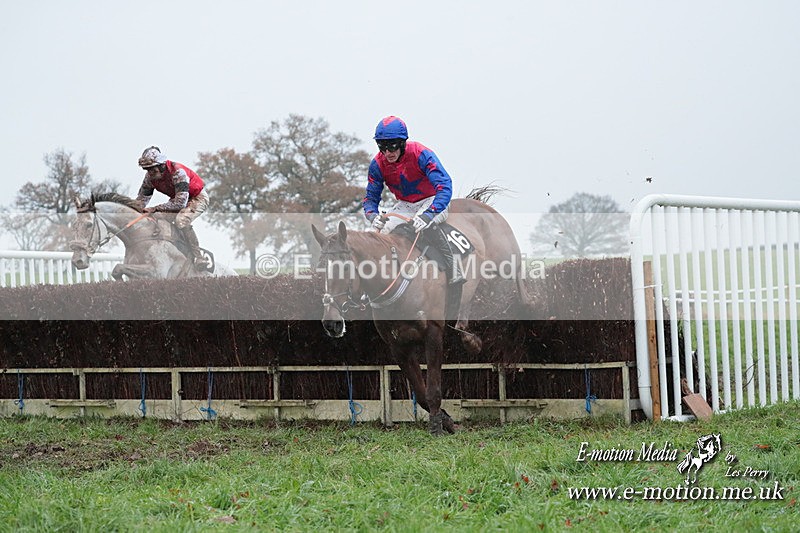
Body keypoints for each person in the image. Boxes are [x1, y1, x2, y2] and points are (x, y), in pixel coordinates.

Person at [363, 116, 464, 284]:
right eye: (382, 146)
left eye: (392, 146)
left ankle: (454, 267)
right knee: (375, 235)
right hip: (405, 205)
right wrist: (372, 216)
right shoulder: (377, 164)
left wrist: (429, 215)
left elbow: (445, 186)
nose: (388, 152)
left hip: (432, 200)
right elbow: (370, 198)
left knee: (426, 225)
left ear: (403, 143)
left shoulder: (421, 154)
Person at [135, 146, 211, 271]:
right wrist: (131, 211)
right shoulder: (149, 178)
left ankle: (198, 257)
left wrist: (154, 208)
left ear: (161, 166)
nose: (150, 173)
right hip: (179, 198)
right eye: (147, 170)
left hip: (197, 198)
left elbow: (180, 203)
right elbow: (141, 201)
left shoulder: (178, 172)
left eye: (152, 169)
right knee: (155, 217)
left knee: (181, 220)